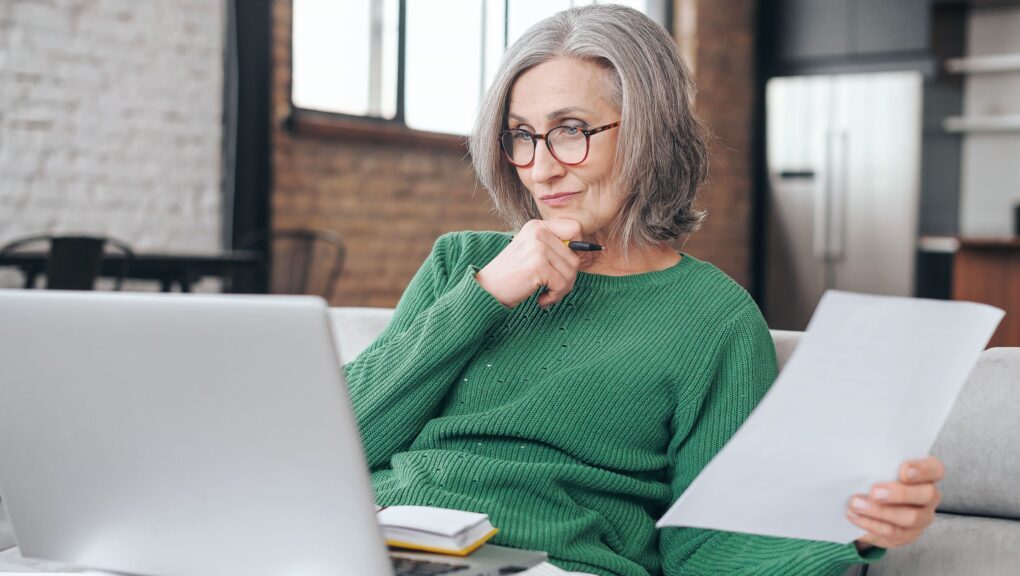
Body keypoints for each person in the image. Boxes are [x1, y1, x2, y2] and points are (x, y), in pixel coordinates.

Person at [345, 5, 944, 576]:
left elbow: (705, 550)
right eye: (521, 136)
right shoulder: (466, 265)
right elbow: (336, 441)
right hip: (368, 541)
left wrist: (852, 531)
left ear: (648, 134)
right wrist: (486, 294)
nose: (541, 167)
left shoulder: (714, 320)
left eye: (570, 131)